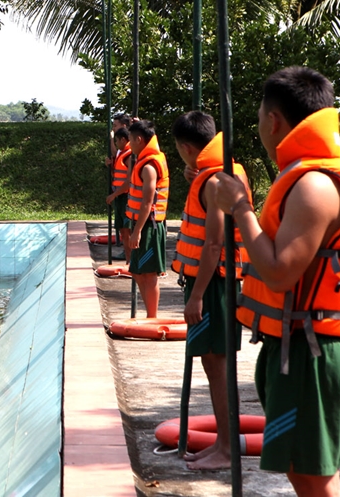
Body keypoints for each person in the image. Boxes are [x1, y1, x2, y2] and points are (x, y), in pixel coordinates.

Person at [215, 67, 340, 496]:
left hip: (313, 354)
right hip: (299, 348)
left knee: (313, 479)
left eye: (258, 119)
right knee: (305, 472)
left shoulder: (315, 186)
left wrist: (240, 209)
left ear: (273, 121)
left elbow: (281, 272)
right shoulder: (316, 175)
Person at [170, 111, 251, 471]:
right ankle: (222, 442)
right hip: (219, 281)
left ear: (187, 148)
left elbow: (214, 243)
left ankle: (227, 448)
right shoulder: (223, 169)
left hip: (215, 283)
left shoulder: (215, 180)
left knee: (217, 365)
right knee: (213, 362)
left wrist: (197, 294)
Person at [125, 119, 169, 318]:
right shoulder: (146, 158)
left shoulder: (149, 166)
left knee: (149, 274)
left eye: (131, 141)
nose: (129, 145)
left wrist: (137, 231)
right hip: (141, 223)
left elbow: (147, 202)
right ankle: (149, 315)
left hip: (148, 225)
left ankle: (152, 317)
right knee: (137, 271)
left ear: (140, 140)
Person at [106, 126, 134, 263]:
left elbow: (129, 181)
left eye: (116, 141)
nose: (116, 144)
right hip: (120, 197)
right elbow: (117, 175)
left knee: (127, 231)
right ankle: (129, 261)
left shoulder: (129, 155)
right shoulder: (121, 154)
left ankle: (131, 261)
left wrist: (114, 195)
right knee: (123, 231)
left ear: (123, 140)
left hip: (126, 198)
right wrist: (111, 166)